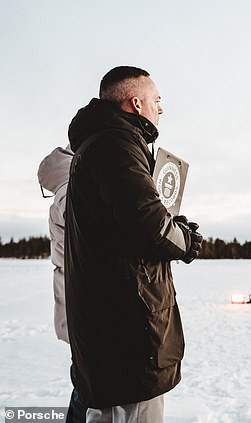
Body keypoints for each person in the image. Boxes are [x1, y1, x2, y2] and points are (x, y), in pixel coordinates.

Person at [65, 66, 202, 423]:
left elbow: (131, 219)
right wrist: (185, 241)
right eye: (157, 100)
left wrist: (173, 226)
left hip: (113, 328)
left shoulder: (102, 144)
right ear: (136, 103)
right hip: (127, 334)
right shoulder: (115, 144)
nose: (161, 109)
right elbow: (149, 224)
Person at [38, 145, 87, 423]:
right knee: (85, 394)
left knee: (83, 387)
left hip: (74, 305)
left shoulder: (63, 196)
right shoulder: (68, 196)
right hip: (82, 308)